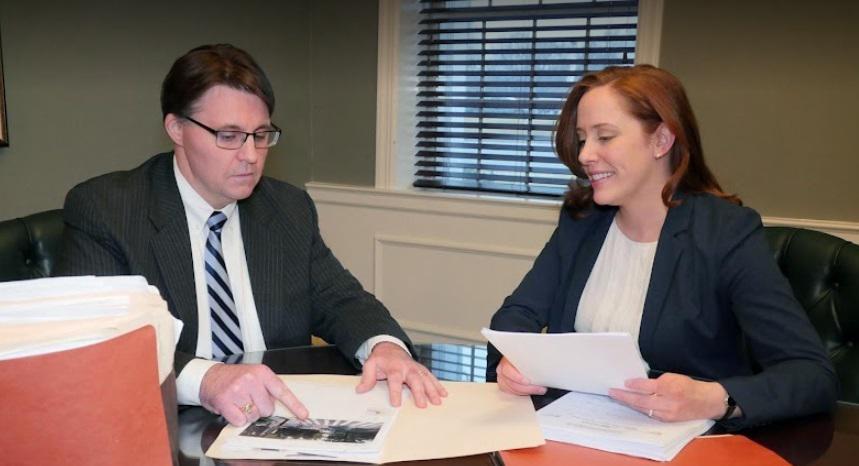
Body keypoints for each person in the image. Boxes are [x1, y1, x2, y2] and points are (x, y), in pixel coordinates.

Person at [56, 44, 446, 426]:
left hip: (277, 419)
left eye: (260, 135)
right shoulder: (108, 210)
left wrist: (384, 346)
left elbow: (340, 300)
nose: (251, 155)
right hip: (164, 423)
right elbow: (101, 343)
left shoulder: (287, 208)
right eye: (229, 136)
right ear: (176, 128)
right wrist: (206, 379)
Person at [486, 64, 837, 429]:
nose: (586, 154)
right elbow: (516, 316)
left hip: (688, 442)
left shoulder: (724, 232)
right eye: (582, 138)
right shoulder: (582, 220)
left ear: (661, 140)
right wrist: (512, 363)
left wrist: (714, 398)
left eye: (604, 137)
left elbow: (812, 375)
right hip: (578, 432)